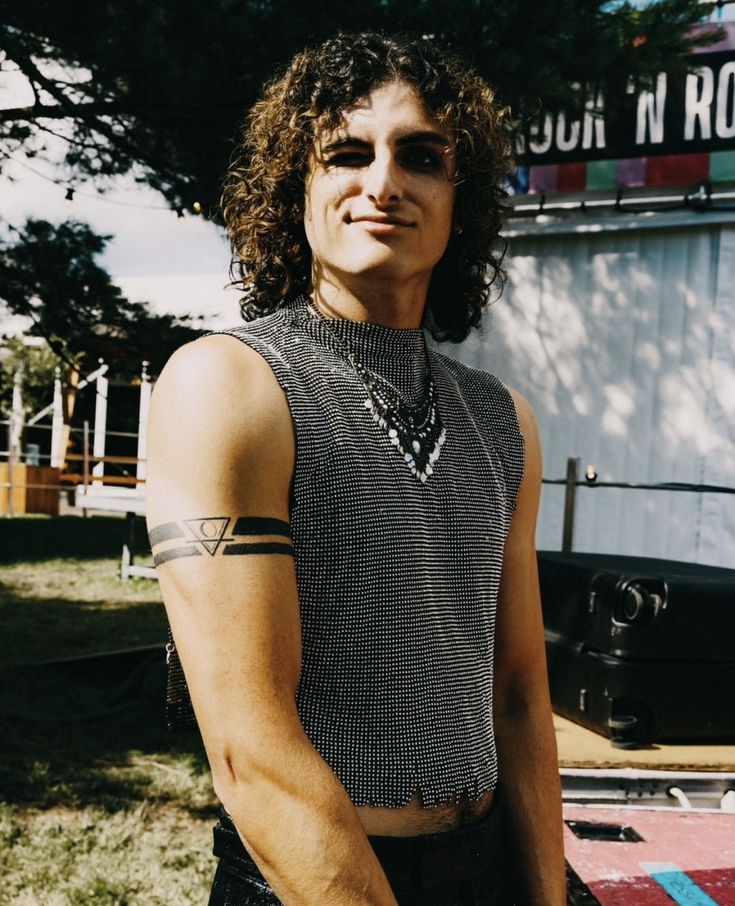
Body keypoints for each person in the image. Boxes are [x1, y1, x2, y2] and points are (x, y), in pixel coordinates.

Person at [145, 31, 566, 906]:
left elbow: (520, 695)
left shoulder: (504, 420)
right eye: (344, 153)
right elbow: (248, 747)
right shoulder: (229, 385)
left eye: (420, 156)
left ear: (461, 198)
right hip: (309, 878)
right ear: (293, 190)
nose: (382, 184)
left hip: (484, 868)